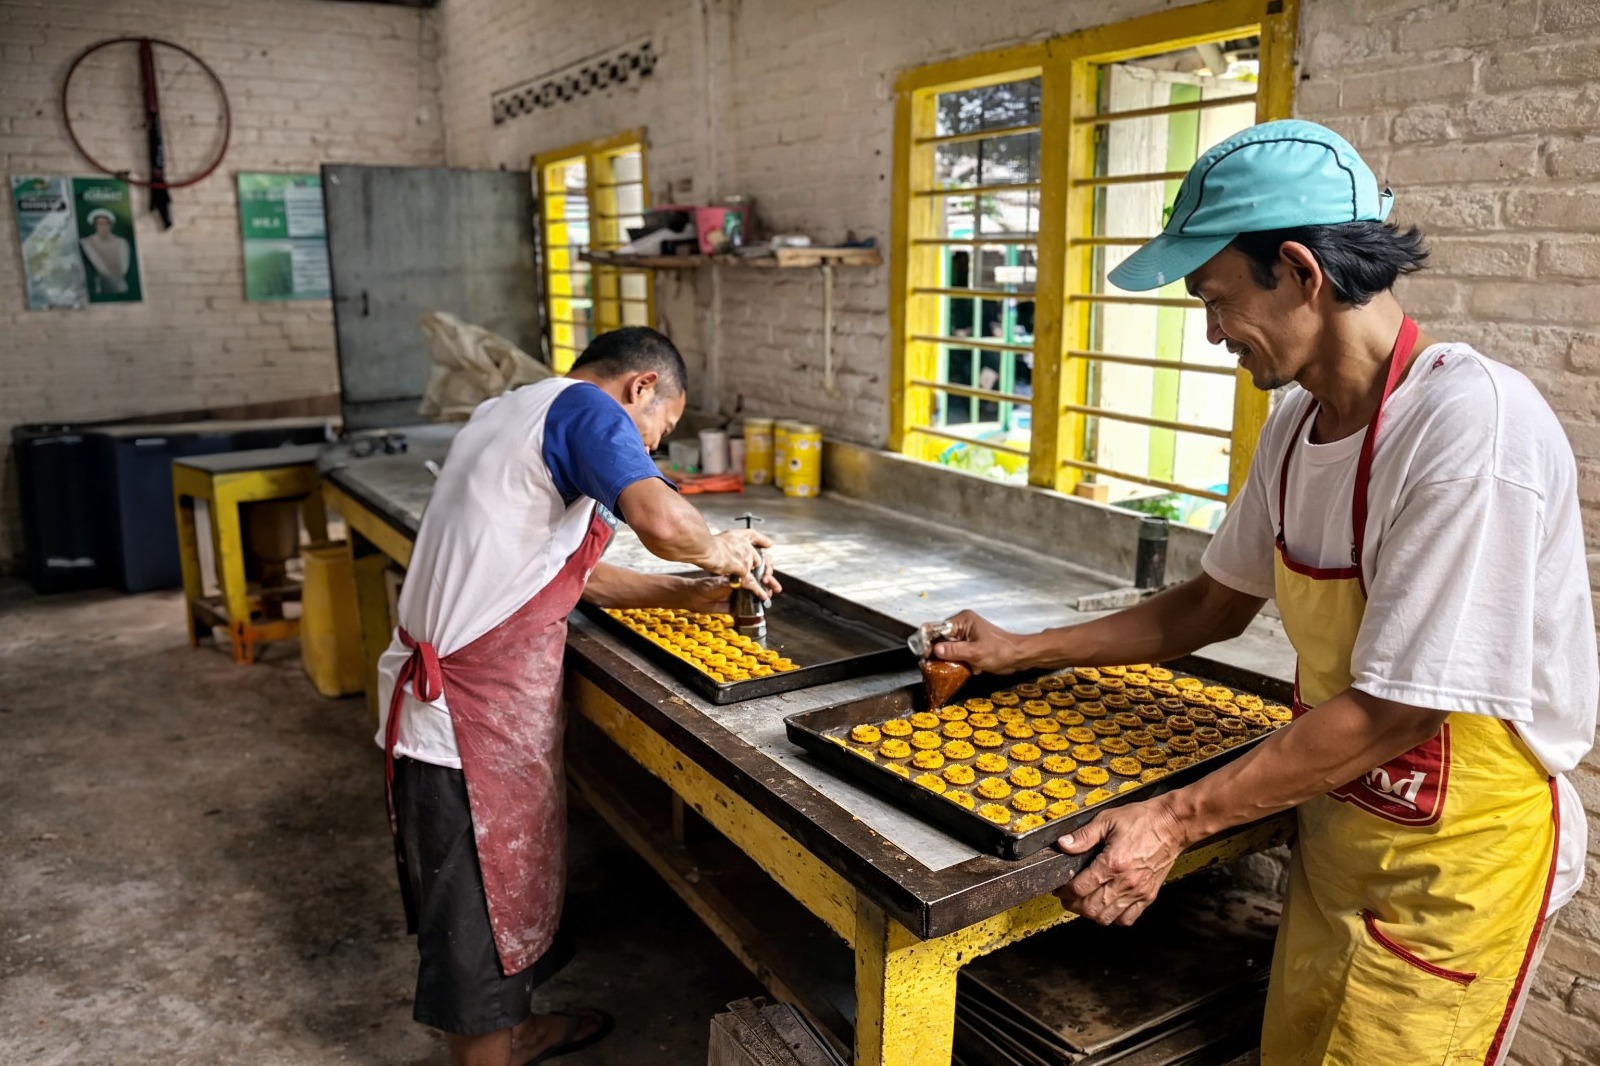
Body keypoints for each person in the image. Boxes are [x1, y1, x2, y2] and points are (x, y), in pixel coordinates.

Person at [928, 121, 1596, 1065]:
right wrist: (1020, 648)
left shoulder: (1468, 429)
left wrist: (1173, 819)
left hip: (1454, 872)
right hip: (1340, 828)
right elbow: (1211, 606)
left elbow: (1401, 708)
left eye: (1216, 299)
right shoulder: (1294, 426)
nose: (1211, 333)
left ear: (1299, 271)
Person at [375, 326, 779, 1066]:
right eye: (661, 429)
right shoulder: (587, 408)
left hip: (481, 714)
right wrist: (722, 549)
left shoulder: (509, 410)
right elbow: (662, 521)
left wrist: (682, 595)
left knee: (503, 899)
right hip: (463, 723)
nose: (652, 447)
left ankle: (518, 1032)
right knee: (479, 923)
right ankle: (488, 1052)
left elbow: (562, 572)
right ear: (641, 387)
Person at [78, 208, 131, 295]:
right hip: (101, 286)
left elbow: (123, 266)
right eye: (100, 224)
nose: (104, 227)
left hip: (121, 285)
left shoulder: (121, 242)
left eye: (106, 224)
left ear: (111, 225)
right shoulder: (86, 242)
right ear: (95, 225)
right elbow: (98, 264)